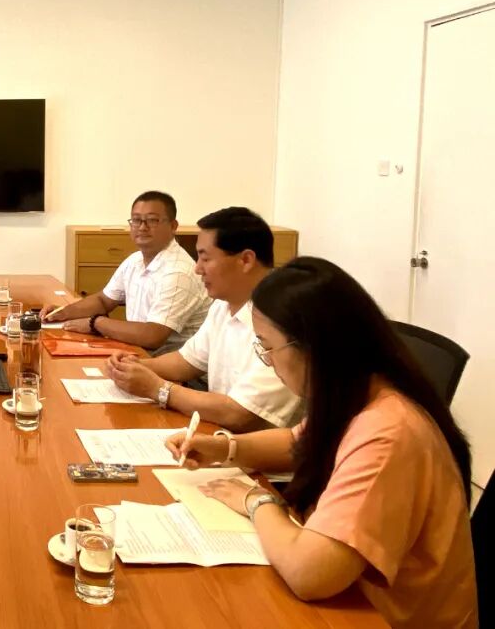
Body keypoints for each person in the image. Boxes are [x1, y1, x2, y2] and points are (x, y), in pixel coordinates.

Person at [167, 257, 477, 629]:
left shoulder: (388, 432)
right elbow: (299, 442)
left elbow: (309, 574)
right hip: (351, 598)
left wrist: (256, 501)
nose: (268, 362)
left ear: (312, 348)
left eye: (267, 347)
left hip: (384, 616)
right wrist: (224, 448)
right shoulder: (358, 391)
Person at [106, 207, 302, 431]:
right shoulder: (223, 304)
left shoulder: (281, 318)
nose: (197, 269)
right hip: (219, 434)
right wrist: (134, 366)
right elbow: (187, 361)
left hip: (256, 446)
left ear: (246, 260)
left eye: (205, 258)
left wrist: (157, 388)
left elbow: (240, 413)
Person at [42, 191, 210, 354]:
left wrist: (96, 323)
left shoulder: (178, 272)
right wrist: (63, 312)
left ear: (173, 226)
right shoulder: (135, 261)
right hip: (136, 352)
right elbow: (103, 300)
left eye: (152, 220)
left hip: (170, 365)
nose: (142, 227)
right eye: (136, 220)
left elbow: (153, 336)